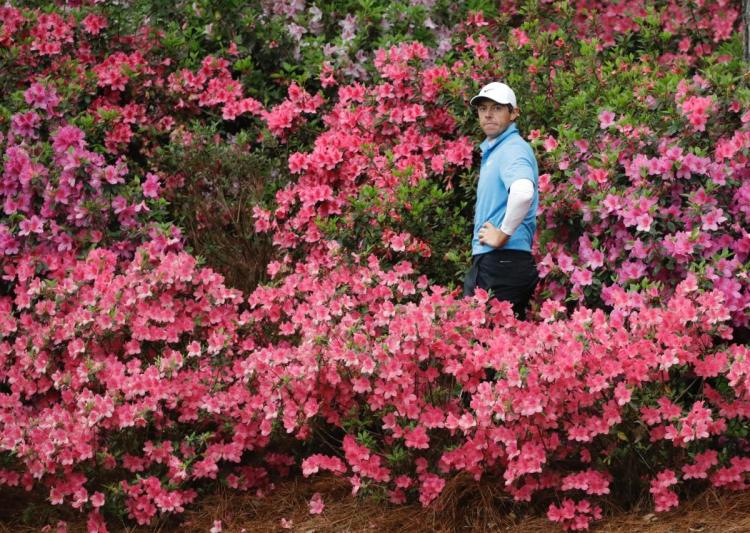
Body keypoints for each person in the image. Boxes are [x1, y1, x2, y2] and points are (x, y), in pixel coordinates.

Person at [463, 82, 539, 320]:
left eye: (497, 108)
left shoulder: (512, 149)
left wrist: (502, 233)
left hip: (503, 261)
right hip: (498, 261)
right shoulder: (498, 150)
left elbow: (523, 191)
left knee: (485, 344)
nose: (487, 114)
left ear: (514, 113)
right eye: (483, 108)